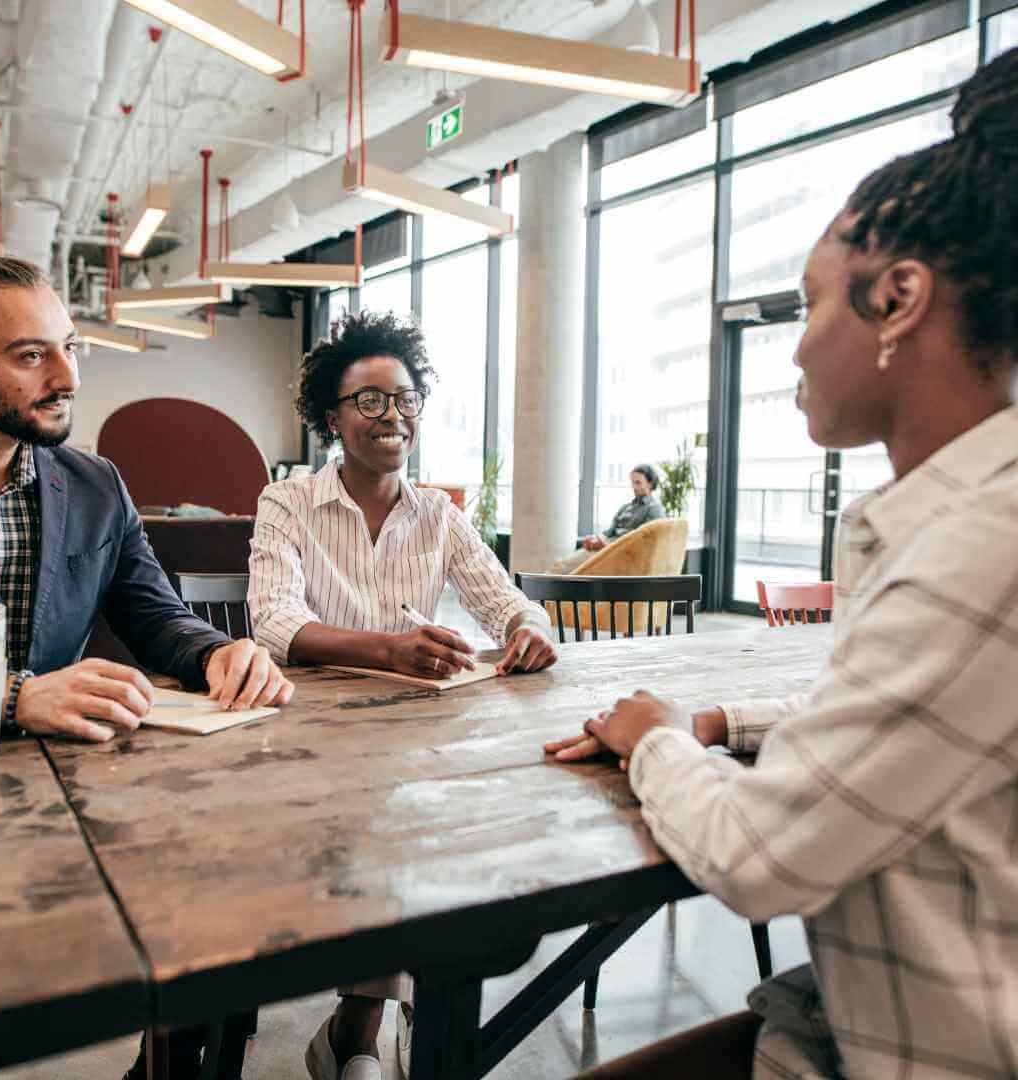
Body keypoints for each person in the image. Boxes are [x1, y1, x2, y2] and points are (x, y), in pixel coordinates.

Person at [547, 47, 1018, 1080]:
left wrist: (659, 739)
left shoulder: (985, 545)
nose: (796, 348)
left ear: (898, 300)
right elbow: (927, 723)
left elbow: (757, 857)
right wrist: (734, 723)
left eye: (809, 304)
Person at [0, 241, 294, 1080]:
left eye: (71, 346)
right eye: (31, 355)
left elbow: (159, 617)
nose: (66, 375)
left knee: (230, 893)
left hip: (61, 807)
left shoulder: (95, 484)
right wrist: (18, 695)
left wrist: (221, 652)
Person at [248, 308, 558, 1080]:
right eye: (371, 401)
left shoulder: (440, 515)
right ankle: (381, 1022)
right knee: (402, 826)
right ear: (332, 416)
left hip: (413, 742)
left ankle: (368, 1023)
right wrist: (388, 648)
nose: (394, 416)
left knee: (454, 819)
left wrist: (529, 626)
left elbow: (506, 601)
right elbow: (275, 619)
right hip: (310, 739)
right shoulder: (286, 503)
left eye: (407, 400)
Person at [549, 464, 663, 574]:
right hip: (606, 547)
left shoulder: (654, 509)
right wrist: (595, 539)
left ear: (650, 484)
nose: (634, 486)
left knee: (563, 567)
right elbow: (609, 531)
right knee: (560, 565)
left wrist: (608, 546)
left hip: (617, 551)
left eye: (638, 483)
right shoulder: (626, 507)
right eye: (632, 482)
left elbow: (644, 540)